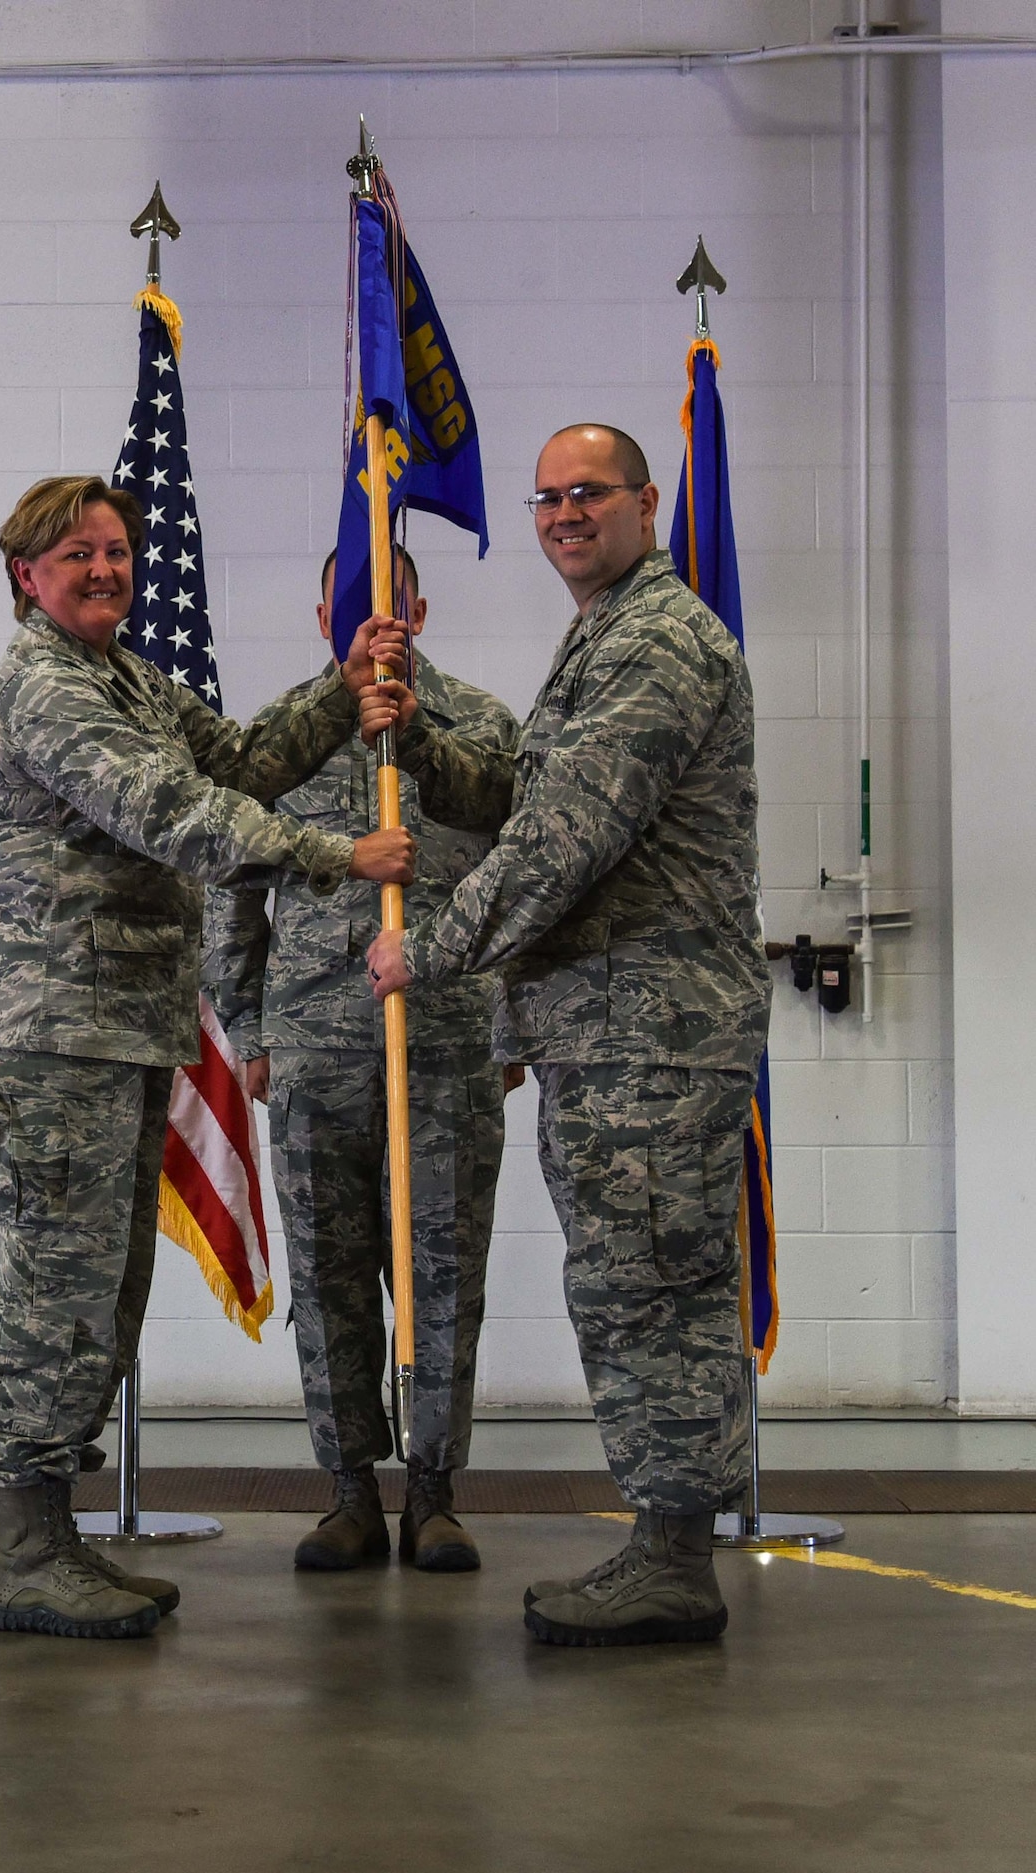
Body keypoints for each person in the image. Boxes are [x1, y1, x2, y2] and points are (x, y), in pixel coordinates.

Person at [0, 474, 415, 1642]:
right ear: (28, 576)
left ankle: (56, 1539)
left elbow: (239, 758)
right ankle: (24, 1549)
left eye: (116, 550)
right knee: (54, 1296)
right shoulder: (46, 690)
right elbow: (176, 811)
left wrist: (342, 682)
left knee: (102, 1295)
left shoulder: (128, 679)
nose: (104, 570)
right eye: (76, 557)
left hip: (114, 1031)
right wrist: (335, 856)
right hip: (53, 1032)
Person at [363, 425, 771, 1646]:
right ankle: (665, 1543)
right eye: (545, 497)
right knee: (642, 1283)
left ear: (647, 502)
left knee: (647, 1287)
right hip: (611, 1026)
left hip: (646, 1028)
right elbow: (525, 796)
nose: (560, 512)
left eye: (587, 492)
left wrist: (425, 949)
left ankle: (671, 1556)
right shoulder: (603, 633)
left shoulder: (654, 640)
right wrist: (417, 739)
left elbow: (560, 841)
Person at [204, 550, 520, 1574]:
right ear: (319, 610)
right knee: (329, 1274)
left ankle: (433, 1491)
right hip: (314, 1045)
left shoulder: (476, 724)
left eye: (391, 593)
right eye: (350, 597)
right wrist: (249, 1029)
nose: (374, 613)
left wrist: (511, 1025)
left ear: (420, 607)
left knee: (440, 1273)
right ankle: (347, 1488)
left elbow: (527, 874)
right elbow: (231, 887)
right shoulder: (280, 737)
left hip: (446, 1040)